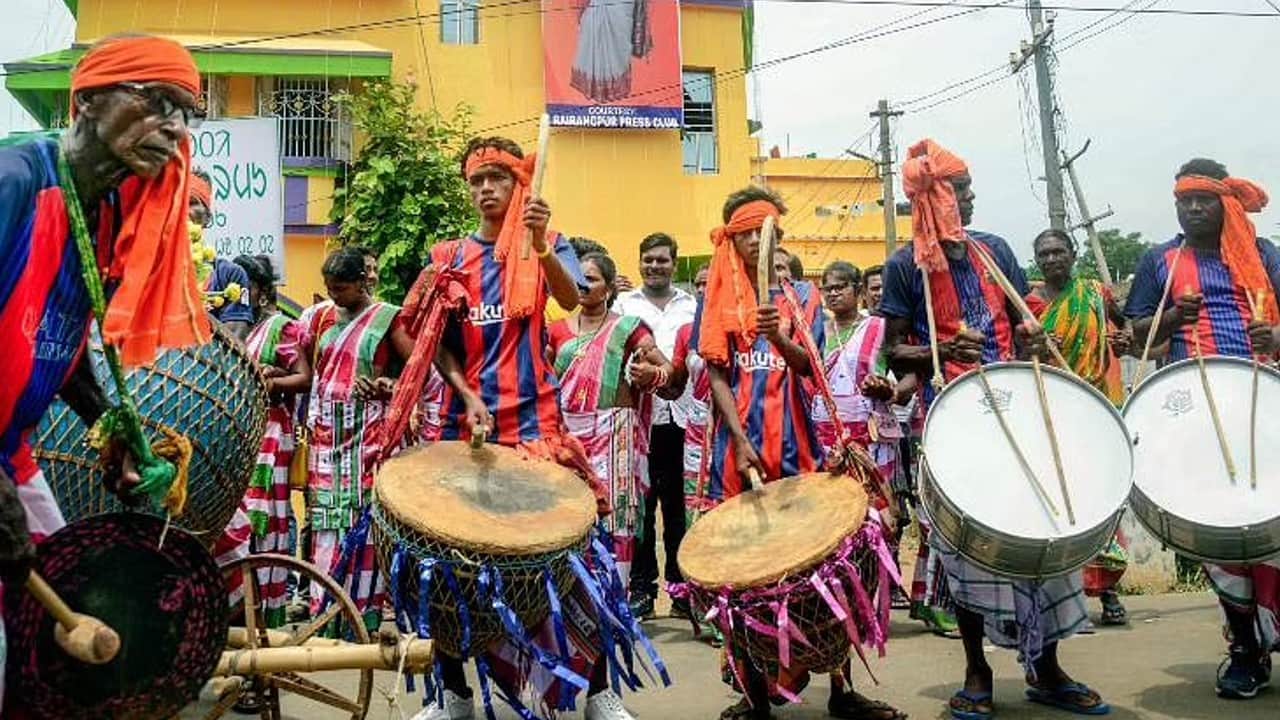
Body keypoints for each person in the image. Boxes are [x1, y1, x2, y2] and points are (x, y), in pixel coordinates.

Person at [0, 33, 210, 711]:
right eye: (155, 102)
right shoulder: (15, 183)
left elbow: (57, 343)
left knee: (73, 594)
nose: (173, 127)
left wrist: (112, 427)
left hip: (13, 453)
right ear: (88, 100)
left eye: (185, 113)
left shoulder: (106, 214)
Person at [406, 135, 641, 720]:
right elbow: (434, 344)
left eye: (499, 179)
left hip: (539, 427)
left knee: (583, 563)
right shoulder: (448, 259)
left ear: (519, 186)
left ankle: (601, 693)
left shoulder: (549, 243)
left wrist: (539, 242)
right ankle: (455, 695)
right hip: (469, 437)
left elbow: (571, 297)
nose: (487, 189)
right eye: (478, 180)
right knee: (446, 569)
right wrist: (463, 394)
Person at [880, 139, 1106, 719]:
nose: (973, 201)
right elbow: (894, 350)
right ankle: (977, 671)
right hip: (953, 418)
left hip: (1021, 409)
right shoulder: (907, 266)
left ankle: (1047, 667)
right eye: (962, 194)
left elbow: (1022, 319)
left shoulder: (994, 251)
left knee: (1044, 534)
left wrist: (1030, 336)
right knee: (968, 547)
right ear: (937, 202)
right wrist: (941, 346)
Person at [694, 187, 900, 720]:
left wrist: (780, 339)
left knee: (822, 569)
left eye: (764, 234)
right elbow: (716, 373)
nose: (755, 243)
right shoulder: (714, 296)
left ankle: (842, 691)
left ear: (776, 238)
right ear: (732, 239)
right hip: (737, 454)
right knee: (741, 578)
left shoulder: (803, 298)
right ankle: (756, 695)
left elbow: (810, 368)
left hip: (799, 451)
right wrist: (738, 443)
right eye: (745, 234)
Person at [1125, 158, 1280, 700]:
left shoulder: (1262, 256)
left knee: (1273, 526)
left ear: (1225, 204)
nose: (1192, 209)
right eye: (1184, 201)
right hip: (1195, 415)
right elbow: (1136, 329)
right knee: (1222, 532)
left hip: (1265, 406)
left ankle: (1269, 629)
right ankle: (1244, 647)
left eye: (1203, 200)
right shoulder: (1160, 260)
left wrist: (1275, 339)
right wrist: (1173, 319)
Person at [548, 251, 673, 593]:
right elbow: (543, 382)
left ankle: (615, 597)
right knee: (566, 511)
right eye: (578, 279)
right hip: (567, 435)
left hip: (615, 431)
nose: (583, 286)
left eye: (592, 279)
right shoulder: (555, 331)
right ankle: (569, 594)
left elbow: (669, 372)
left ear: (608, 289)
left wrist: (651, 373)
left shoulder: (628, 328)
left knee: (618, 512)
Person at [1026, 229, 1131, 627]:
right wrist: (1033, 345)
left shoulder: (1096, 294)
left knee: (1101, 500)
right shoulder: (1031, 304)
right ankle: (1065, 598)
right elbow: (1021, 352)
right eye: (1044, 254)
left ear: (1073, 254)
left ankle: (1109, 591)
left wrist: (1124, 338)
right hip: (1053, 412)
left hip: (1099, 406)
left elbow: (1126, 329)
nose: (1052, 259)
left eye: (1058, 251)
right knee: (1062, 504)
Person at [304, 247, 412, 631]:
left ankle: (361, 613)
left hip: (368, 433)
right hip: (327, 436)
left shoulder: (388, 319)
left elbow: (419, 375)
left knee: (364, 525)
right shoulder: (322, 322)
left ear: (362, 283)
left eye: (342, 288)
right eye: (330, 288)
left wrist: (388, 386)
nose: (334, 296)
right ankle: (325, 612)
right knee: (328, 522)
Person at [613, 232, 697, 619]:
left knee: (679, 508)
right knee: (641, 507)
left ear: (674, 263)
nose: (654, 266)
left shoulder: (691, 306)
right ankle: (641, 590)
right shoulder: (622, 305)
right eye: (648, 259)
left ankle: (681, 591)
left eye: (662, 260)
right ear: (639, 262)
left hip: (683, 417)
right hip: (638, 420)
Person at [238, 255, 312, 626]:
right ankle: (241, 602)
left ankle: (267, 608)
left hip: (271, 432)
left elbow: (303, 377)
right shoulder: (237, 326)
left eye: (245, 288)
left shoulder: (281, 327)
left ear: (263, 290)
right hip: (243, 433)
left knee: (265, 518)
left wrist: (272, 381)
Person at [191, 166, 254, 341]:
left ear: (207, 217)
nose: (183, 211)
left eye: (192, 202)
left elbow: (235, 338)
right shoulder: (151, 269)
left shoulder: (231, 275)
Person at [570, 0, 652, 103]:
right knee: (594, 39)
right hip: (596, 9)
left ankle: (614, 90)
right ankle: (593, 88)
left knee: (618, 51)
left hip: (621, 10)